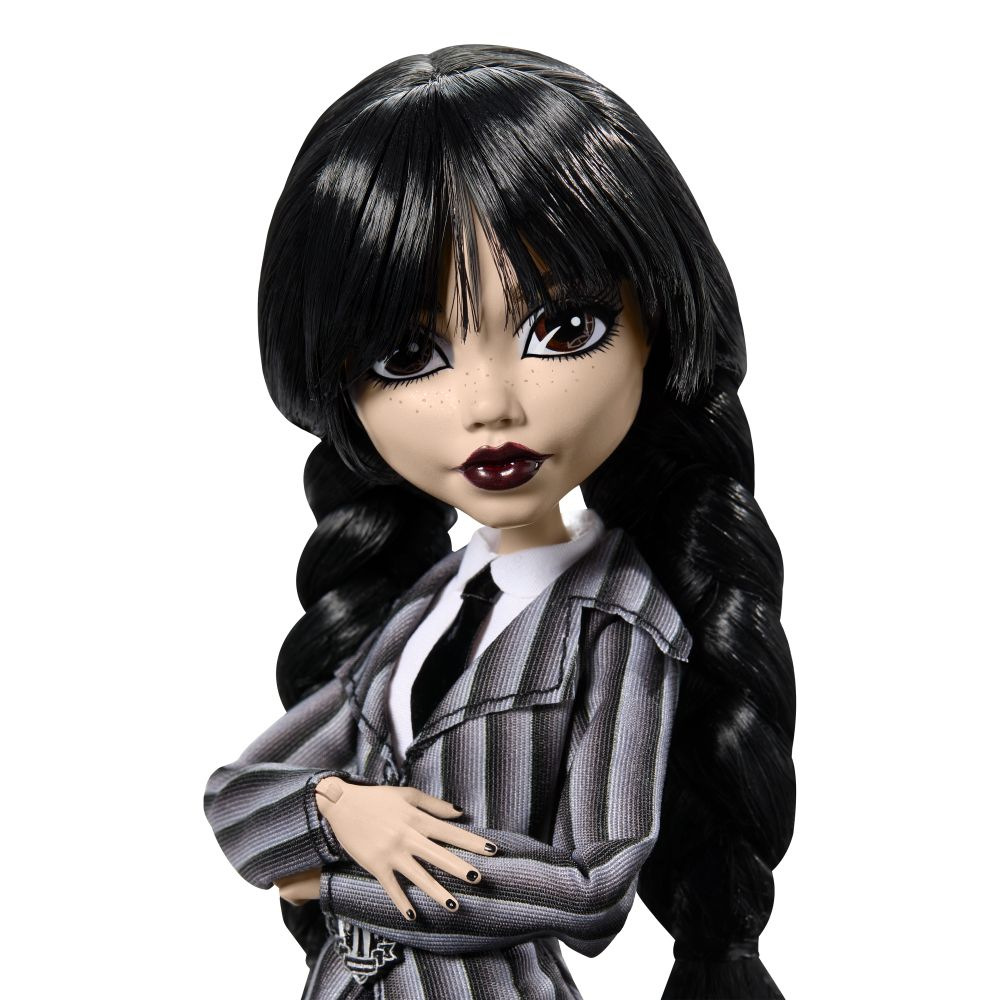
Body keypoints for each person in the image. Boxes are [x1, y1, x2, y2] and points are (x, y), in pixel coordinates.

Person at [204, 44, 795, 1000]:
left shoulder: (621, 620)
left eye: (561, 330)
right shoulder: (424, 607)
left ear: (658, 330)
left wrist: (337, 874)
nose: (490, 405)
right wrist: (336, 805)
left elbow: (592, 888)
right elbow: (235, 800)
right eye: (408, 357)